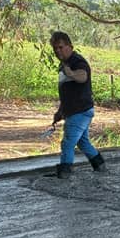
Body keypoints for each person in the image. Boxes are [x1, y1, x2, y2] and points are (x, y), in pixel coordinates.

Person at [49, 31, 106, 178]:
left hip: (80, 111)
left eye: (61, 47)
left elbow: (83, 76)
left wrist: (72, 74)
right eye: (55, 48)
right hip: (75, 110)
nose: (58, 51)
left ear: (70, 46)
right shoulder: (64, 65)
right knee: (82, 142)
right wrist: (60, 111)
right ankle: (99, 164)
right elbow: (67, 93)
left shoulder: (78, 62)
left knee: (67, 143)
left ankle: (65, 173)